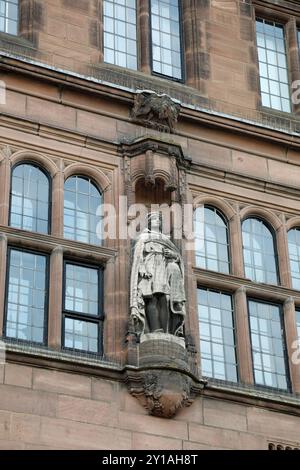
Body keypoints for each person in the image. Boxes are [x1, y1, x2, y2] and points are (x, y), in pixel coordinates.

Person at [130, 212, 186, 337]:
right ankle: (154, 328)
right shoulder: (143, 237)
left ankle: (166, 330)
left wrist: (174, 256)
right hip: (149, 266)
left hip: (163, 268)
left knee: (164, 298)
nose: (157, 221)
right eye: (154, 219)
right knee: (150, 298)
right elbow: (138, 255)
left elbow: (178, 257)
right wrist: (142, 267)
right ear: (149, 222)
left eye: (159, 220)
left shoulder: (166, 240)